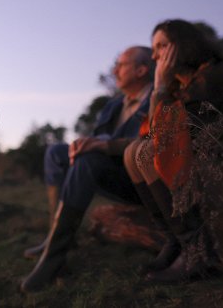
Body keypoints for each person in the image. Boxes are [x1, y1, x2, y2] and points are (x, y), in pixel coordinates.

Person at [123, 19, 223, 283]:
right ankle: (177, 239)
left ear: (182, 46)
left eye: (161, 46)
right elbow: (151, 132)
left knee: (146, 153)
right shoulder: (182, 84)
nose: (155, 55)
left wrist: (159, 87)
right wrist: (162, 89)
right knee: (133, 152)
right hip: (214, 169)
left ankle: (199, 252)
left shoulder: (211, 77)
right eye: (153, 49)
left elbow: (163, 136)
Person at [20, 46, 154, 292]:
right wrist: (82, 145)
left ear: (141, 70)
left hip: (141, 183)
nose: (115, 69)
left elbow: (150, 144)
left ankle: (54, 260)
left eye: (121, 64)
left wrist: (103, 146)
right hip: (111, 173)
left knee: (89, 159)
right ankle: (56, 238)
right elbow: (97, 138)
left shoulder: (157, 98)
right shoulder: (114, 105)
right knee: (56, 152)